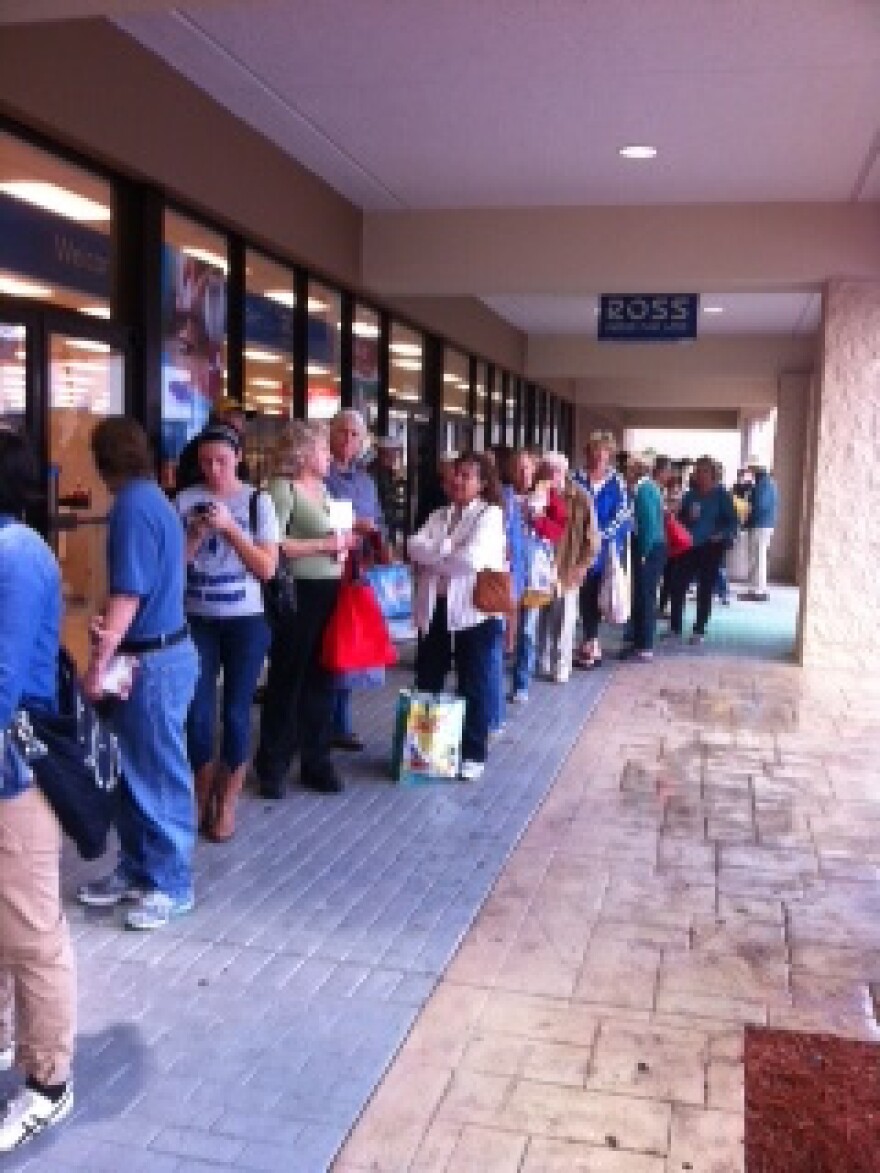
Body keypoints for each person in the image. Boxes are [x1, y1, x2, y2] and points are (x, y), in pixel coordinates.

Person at [78, 418, 199, 931]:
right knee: (133, 771)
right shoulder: (157, 501)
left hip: (151, 661)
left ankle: (171, 882)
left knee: (157, 773)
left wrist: (97, 664)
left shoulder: (131, 507)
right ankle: (139, 869)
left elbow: (129, 594)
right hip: (161, 652)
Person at [0, 429, 74, 1151]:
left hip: (14, 774)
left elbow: (4, 676)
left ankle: (48, 1080)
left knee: (29, 932)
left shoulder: (18, 553)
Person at [176, 422, 279, 841]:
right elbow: (172, 568)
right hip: (197, 617)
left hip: (245, 620)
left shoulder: (258, 503)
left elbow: (267, 568)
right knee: (198, 713)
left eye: (221, 461)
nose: (213, 470)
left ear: (238, 458)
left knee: (236, 712)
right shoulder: (183, 500)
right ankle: (202, 797)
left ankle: (228, 802)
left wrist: (232, 530)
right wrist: (196, 535)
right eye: (205, 462)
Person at [254, 421, 359, 797]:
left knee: (322, 677)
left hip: (330, 590)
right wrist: (325, 545)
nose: (329, 455)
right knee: (289, 677)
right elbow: (273, 545)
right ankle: (273, 763)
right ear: (303, 453)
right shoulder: (282, 490)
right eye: (322, 449)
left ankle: (316, 759)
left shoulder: (325, 491)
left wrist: (345, 543)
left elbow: (332, 539)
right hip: (297, 592)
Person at [409, 453, 506, 782]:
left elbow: (471, 560)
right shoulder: (440, 514)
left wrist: (435, 556)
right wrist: (447, 548)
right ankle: (426, 748)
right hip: (435, 610)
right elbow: (413, 546)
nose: (458, 481)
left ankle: (473, 753)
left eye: (467, 476)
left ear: (482, 483)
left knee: (472, 683)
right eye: (456, 474)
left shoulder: (489, 515)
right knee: (429, 679)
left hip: (473, 613)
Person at [324, 410, 386, 751]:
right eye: (342, 432)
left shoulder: (367, 481)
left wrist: (377, 536)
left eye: (354, 435)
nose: (347, 440)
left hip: (358, 571)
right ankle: (324, 723)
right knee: (328, 644)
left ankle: (342, 723)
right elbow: (321, 515)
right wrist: (353, 524)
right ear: (330, 434)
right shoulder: (320, 474)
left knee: (351, 645)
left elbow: (377, 519)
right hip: (327, 569)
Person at [534, 453, 600, 683]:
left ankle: (561, 666)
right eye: (547, 471)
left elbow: (593, 540)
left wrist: (581, 567)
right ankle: (540, 661)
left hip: (567, 567)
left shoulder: (580, 497)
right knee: (540, 617)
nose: (552, 476)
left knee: (564, 621)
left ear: (565, 472)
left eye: (557, 471)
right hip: (540, 568)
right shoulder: (536, 495)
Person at [572, 431, 631, 668]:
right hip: (577, 549)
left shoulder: (617, 482)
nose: (599, 456)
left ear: (610, 455)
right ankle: (586, 642)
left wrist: (600, 536)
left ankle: (590, 642)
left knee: (597, 595)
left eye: (604, 452)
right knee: (580, 595)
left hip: (604, 551)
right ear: (587, 452)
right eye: (595, 450)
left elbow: (623, 514)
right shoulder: (574, 478)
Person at [669, 455, 739, 644]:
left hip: (711, 547)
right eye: (697, 471)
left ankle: (699, 629)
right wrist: (683, 517)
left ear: (712, 474)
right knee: (678, 585)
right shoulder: (690, 495)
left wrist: (721, 534)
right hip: (689, 546)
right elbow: (680, 521)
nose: (699, 474)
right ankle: (674, 627)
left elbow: (733, 522)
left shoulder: (721, 495)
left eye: (703, 471)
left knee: (705, 589)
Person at [625, 453, 667, 661]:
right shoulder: (646, 488)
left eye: (629, 469)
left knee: (646, 597)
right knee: (641, 596)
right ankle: (639, 642)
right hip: (650, 548)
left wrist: (643, 553)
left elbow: (649, 525)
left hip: (650, 550)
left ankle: (645, 645)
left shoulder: (644, 490)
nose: (626, 472)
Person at [509, 449, 538, 704]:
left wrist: (539, 518)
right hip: (508, 573)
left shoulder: (543, 496)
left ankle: (521, 683)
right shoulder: (504, 496)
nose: (523, 472)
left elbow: (557, 529)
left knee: (527, 631)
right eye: (519, 467)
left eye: (527, 467)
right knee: (503, 629)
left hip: (533, 574)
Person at [174, 396, 250, 493]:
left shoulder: (236, 443)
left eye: (242, 416)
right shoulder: (199, 445)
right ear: (220, 417)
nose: (242, 420)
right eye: (236, 415)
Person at [740, 458, 778, 602]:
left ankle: (758, 590)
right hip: (762, 525)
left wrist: (748, 516)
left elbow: (759, 506)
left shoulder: (764, 485)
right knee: (757, 557)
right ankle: (755, 588)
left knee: (758, 557)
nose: (751, 471)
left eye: (752, 468)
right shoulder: (765, 484)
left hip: (760, 525)